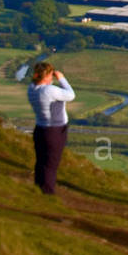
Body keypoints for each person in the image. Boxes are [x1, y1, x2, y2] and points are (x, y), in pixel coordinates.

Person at [27, 61, 74, 195]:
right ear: (46, 76)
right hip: (54, 131)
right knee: (51, 165)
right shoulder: (49, 90)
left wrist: (48, 78)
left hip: (40, 129)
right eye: (50, 74)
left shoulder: (32, 88)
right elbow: (70, 95)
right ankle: (47, 193)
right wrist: (62, 78)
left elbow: (43, 86)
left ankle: (38, 188)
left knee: (41, 162)